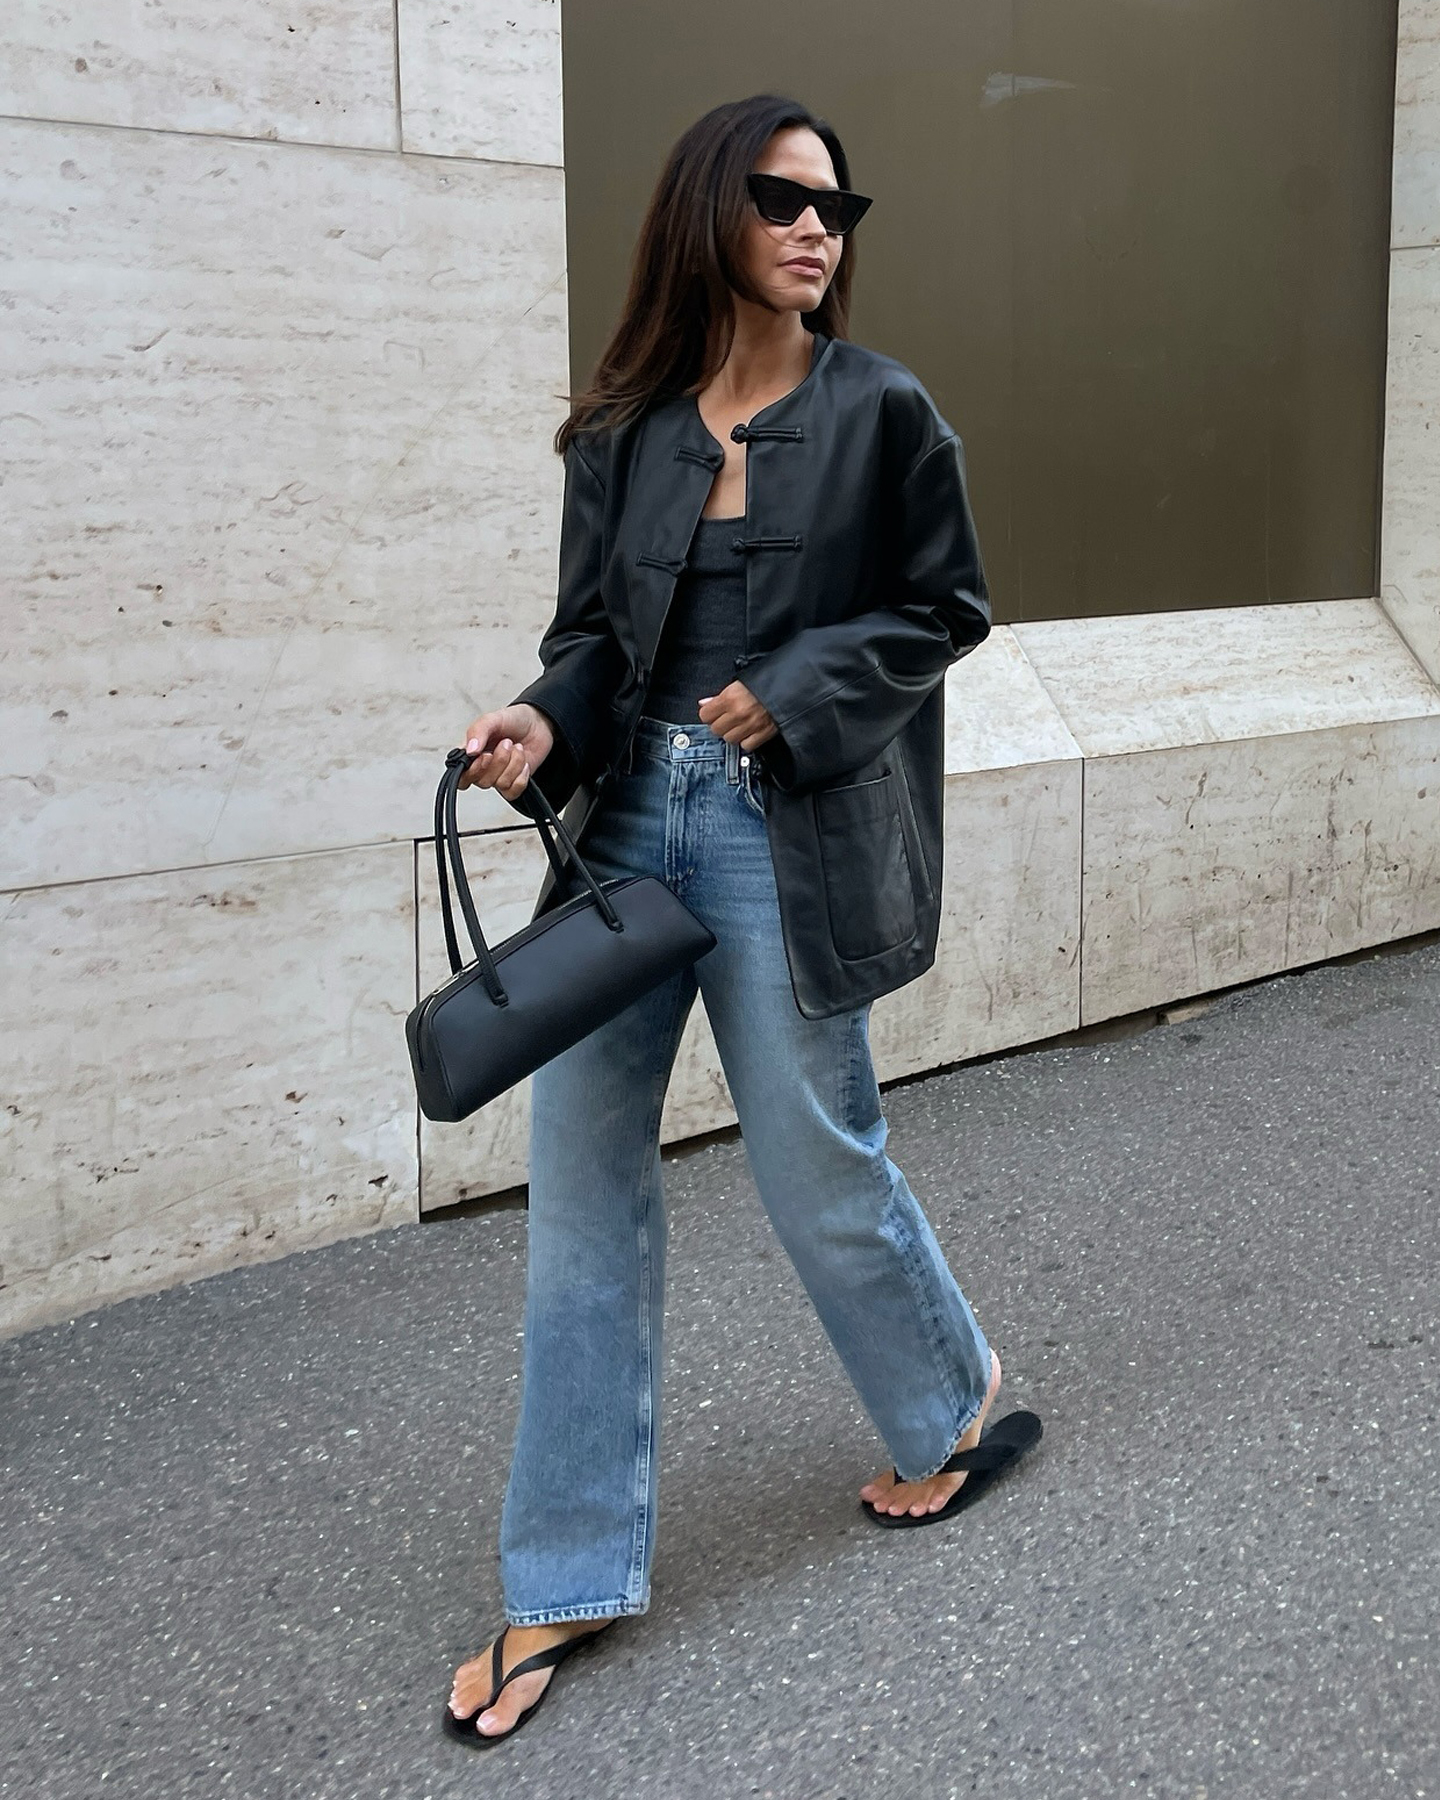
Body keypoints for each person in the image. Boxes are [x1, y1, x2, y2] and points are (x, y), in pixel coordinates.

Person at [442, 93, 1041, 1750]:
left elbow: (945, 608)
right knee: (580, 1196)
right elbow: (587, 638)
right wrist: (540, 721)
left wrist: (789, 688)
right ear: (709, 209)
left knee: (815, 1162)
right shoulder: (624, 433)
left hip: (780, 838)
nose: (817, 226)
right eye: (784, 197)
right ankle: (563, 1566)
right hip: (623, 835)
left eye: (838, 205)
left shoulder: (882, 412)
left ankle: (949, 1400)